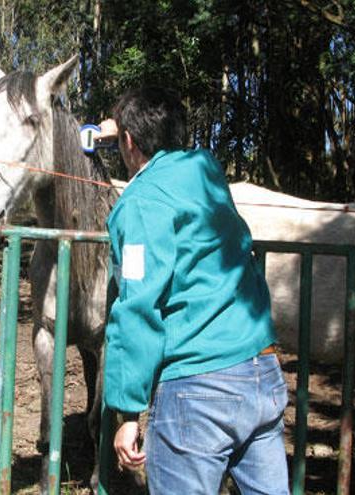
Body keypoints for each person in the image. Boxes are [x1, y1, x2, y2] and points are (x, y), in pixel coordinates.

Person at [99, 87, 289, 494]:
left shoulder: (139, 203)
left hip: (199, 388)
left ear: (128, 142)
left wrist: (128, 411)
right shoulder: (206, 171)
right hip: (262, 374)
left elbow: (138, 304)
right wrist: (129, 128)